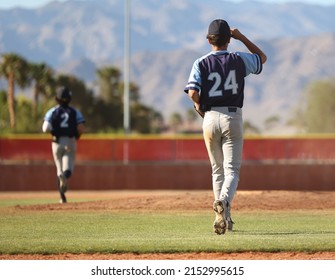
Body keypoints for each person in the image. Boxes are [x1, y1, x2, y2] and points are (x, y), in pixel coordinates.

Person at [184, 19, 267, 234]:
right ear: (228, 40)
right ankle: (223, 201)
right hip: (232, 116)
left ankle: (223, 218)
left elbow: (192, 92)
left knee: (216, 170)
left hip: (209, 117)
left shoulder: (200, 62)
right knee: (232, 170)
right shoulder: (238, 59)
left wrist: (199, 105)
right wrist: (241, 37)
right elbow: (262, 59)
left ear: (209, 39)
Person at [42, 86, 85, 203]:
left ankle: (62, 197)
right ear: (69, 98)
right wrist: (77, 137)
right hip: (70, 141)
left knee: (58, 168)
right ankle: (65, 177)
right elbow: (81, 128)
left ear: (56, 98)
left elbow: (45, 127)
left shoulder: (52, 111)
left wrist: (53, 132)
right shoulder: (75, 112)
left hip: (56, 142)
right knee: (68, 168)